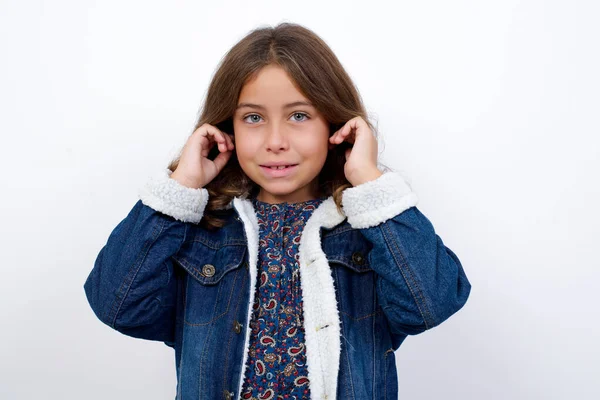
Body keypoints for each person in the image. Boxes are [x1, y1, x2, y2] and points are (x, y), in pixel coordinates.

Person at [83, 22, 471, 400]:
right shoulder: (204, 229)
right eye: (253, 118)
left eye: (299, 116)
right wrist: (181, 187)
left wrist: (370, 182)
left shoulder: (368, 229)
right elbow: (117, 306)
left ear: (334, 124)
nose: (275, 142)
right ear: (227, 128)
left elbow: (428, 306)